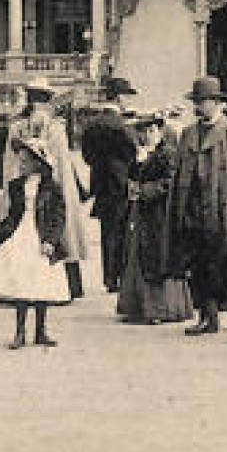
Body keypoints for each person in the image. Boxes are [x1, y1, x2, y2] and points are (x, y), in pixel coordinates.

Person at [170, 76, 227, 335]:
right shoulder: (188, 133)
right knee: (198, 264)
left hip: (224, 208)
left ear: (217, 103)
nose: (199, 107)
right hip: (194, 208)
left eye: (203, 101)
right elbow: (179, 171)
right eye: (196, 102)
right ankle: (208, 318)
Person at [2, 80, 89, 300]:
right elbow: (61, 163)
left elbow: (10, 163)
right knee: (57, 229)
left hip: (25, 185)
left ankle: (16, 288)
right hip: (51, 186)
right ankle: (66, 286)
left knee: (24, 231)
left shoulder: (17, 126)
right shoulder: (55, 127)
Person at [0, 136, 72, 349]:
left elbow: (58, 217)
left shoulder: (51, 187)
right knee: (22, 281)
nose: (21, 166)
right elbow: (14, 215)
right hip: (22, 235)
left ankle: (40, 331)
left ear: (38, 163)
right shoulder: (16, 186)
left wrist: (51, 240)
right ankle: (19, 331)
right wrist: (1, 233)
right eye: (20, 161)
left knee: (41, 282)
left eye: (25, 161)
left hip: (41, 236)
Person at [117, 109, 194, 324]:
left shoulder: (168, 153)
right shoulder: (143, 154)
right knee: (139, 256)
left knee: (158, 257)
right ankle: (139, 307)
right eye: (143, 131)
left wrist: (146, 191)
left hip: (161, 214)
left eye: (151, 130)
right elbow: (132, 177)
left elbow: (171, 182)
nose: (146, 135)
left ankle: (162, 310)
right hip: (142, 213)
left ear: (159, 131)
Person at [80, 78, 138, 294]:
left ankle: (109, 278)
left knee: (107, 231)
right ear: (120, 97)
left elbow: (86, 155)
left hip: (101, 182)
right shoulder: (122, 125)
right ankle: (120, 275)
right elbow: (132, 154)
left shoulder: (92, 125)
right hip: (120, 182)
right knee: (122, 230)